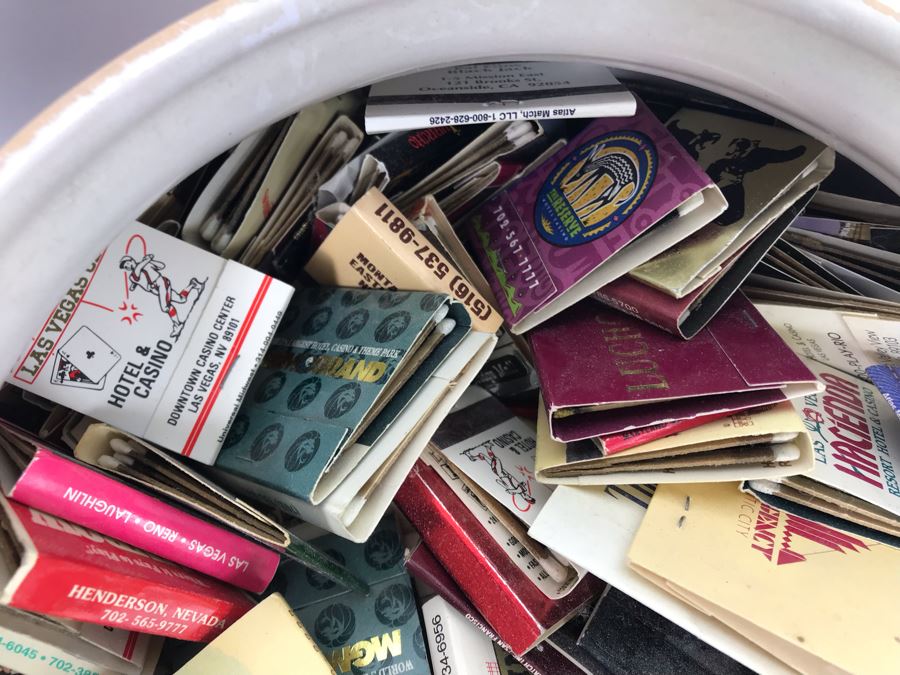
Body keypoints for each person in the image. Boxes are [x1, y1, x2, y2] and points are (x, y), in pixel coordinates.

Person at [119, 253, 204, 338]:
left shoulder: (145, 264)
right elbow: (137, 272)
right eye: (125, 267)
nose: (126, 267)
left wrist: (151, 261)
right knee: (181, 299)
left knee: (165, 307)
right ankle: (193, 284)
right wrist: (147, 260)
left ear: (131, 260)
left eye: (127, 263)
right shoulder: (134, 274)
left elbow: (161, 266)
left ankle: (177, 325)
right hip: (155, 290)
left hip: (161, 283)